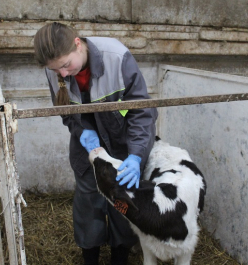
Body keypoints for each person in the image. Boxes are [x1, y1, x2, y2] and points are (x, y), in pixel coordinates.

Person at [34, 22, 158, 265]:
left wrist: (136, 155)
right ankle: (89, 258)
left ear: (78, 44)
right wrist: (80, 132)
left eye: (66, 65)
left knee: (122, 200)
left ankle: (120, 257)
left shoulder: (117, 57)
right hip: (86, 146)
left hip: (121, 141)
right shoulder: (55, 69)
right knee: (88, 200)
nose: (63, 74)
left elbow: (141, 111)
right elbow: (66, 112)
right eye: (56, 70)